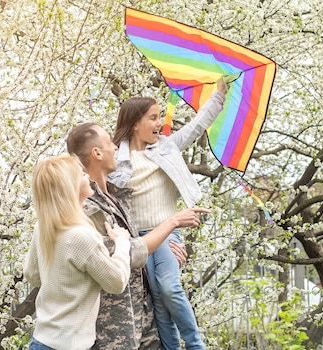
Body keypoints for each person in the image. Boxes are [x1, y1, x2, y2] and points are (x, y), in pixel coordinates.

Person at [108, 77, 229, 350]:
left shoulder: (167, 147)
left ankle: (196, 345)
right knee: (158, 302)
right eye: (152, 118)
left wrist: (218, 95)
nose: (159, 123)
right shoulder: (115, 160)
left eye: (160, 116)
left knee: (170, 288)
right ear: (135, 122)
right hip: (136, 238)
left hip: (165, 233)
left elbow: (196, 126)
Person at [66, 122, 209, 350]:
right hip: (112, 334)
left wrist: (165, 250)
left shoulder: (120, 196)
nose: (116, 147)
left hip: (146, 326)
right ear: (97, 153)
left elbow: (140, 248)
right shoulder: (88, 209)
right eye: (109, 142)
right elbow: (125, 256)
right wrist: (172, 222)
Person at [23, 154, 132, 350]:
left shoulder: (44, 227)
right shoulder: (82, 236)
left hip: (41, 340)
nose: (88, 177)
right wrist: (122, 243)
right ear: (69, 186)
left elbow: (32, 275)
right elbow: (116, 282)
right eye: (82, 174)